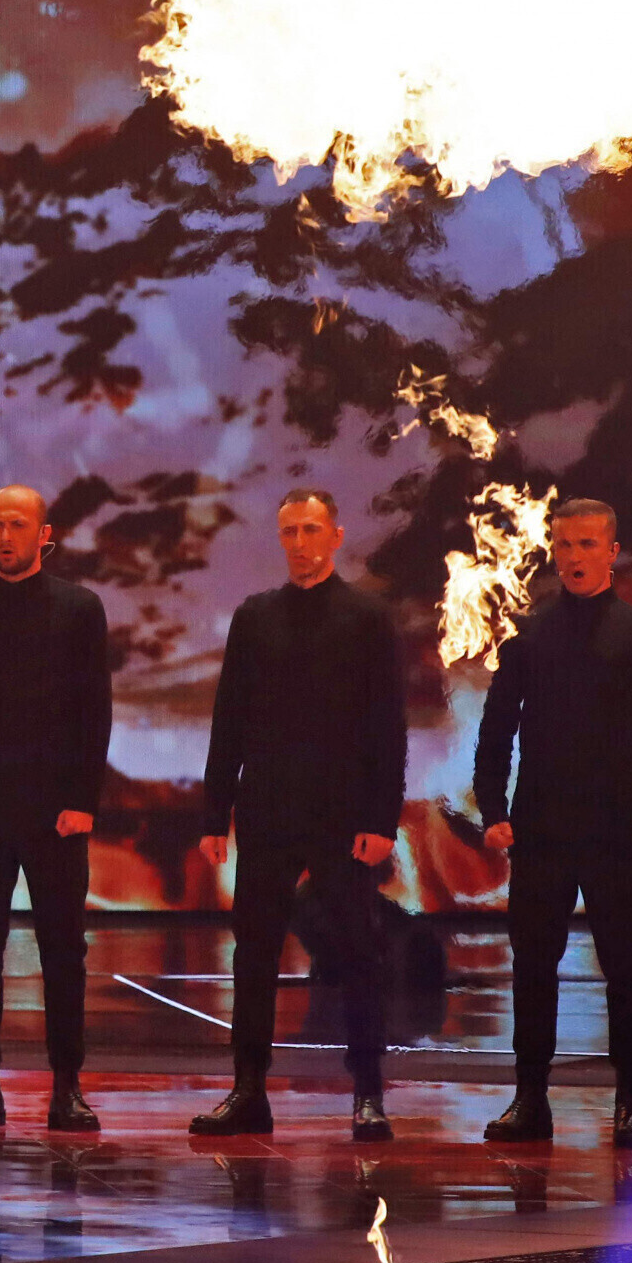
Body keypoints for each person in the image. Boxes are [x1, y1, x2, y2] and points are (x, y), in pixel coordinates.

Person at [473, 497, 632, 1149]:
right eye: (564, 544)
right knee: (533, 968)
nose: (573, 556)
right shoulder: (530, 635)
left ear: (612, 551)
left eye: (587, 544)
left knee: (626, 970)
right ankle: (529, 1099)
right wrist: (494, 809)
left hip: (618, 832)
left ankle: (630, 1105)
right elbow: (496, 729)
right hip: (541, 831)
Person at [194, 488, 406, 1143]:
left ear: (336, 535)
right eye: (290, 531)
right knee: (254, 954)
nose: (300, 542)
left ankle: (368, 1094)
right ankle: (248, 1090)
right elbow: (229, 716)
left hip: (342, 815)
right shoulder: (255, 617)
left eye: (312, 529)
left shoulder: (366, 617)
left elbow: (387, 725)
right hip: (267, 810)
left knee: (358, 952)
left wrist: (382, 819)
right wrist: (213, 813)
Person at [0, 484, 111, 1132]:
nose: (6, 535)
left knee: (63, 949)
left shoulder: (79, 609)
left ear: (44, 534)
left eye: (18, 524)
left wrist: (83, 800)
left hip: (55, 808)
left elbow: (94, 710)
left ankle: (67, 1087)